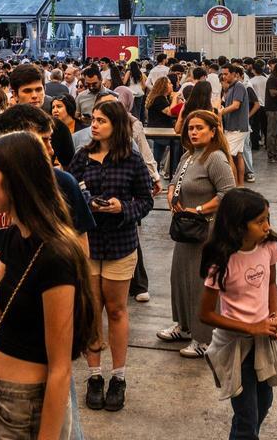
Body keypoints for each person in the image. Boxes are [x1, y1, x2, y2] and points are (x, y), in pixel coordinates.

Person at [0, 131, 98, 440]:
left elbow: (60, 369)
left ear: (16, 180)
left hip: (27, 404)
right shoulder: (15, 236)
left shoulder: (56, 255)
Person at [68, 100, 154, 413]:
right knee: (92, 310)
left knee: (116, 310)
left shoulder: (131, 159)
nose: (94, 124)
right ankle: (94, 375)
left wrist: (123, 208)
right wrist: (86, 202)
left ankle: (118, 376)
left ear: (116, 125)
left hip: (120, 244)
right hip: (88, 245)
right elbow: (67, 191)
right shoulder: (82, 157)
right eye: (94, 119)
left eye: (101, 120)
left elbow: (146, 199)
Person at [199, 188, 277, 440]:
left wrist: (275, 316)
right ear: (238, 226)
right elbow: (205, 314)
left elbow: (271, 285)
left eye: (267, 218)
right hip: (234, 346)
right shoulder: (222, 261)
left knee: (264, 403)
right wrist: (251, 328)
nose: (267, 227)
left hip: (263, 342)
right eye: (260, 221)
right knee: (247, 416)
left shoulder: (269, 246)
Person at [156, 110, 235, 358]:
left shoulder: (216, 158)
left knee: (201, 284)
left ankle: (204, 338)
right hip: (187, 230)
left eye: (199, 128)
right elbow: (174, 180)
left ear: (213, 132)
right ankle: (184, 326)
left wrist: (198, 209)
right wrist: (170, 193)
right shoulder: (189, 155)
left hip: (206, 231)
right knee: (180, 278)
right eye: (191, 128)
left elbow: (228, 193)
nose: (193, 132)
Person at [11, 63, 75, 171]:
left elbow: (69, 166)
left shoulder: (59, 128)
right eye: (28, 91)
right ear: (15, 94)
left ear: (45, 89)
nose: (35, 95)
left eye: (39, 89)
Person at [219, 65, 251, 186]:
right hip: (234, 127)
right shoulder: (231, 87)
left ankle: (234, 185)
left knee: (229, 156)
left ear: (234, 74)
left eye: (226, 74)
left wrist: (220, 112)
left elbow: (236, 105)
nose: (224, 76)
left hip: (237, 128)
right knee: (238, 155)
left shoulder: (238, 86)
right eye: (223, 74)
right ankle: (240, 185)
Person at [145, 76, 179, 179]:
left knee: (157, 156)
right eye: (169, 83)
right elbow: (170, 112)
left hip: (161, 129)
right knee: (177, 142)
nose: (172, 85)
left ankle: (154, 174)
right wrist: (175, 98)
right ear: (164, 86)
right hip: (160, 130)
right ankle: (173, 171)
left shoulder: (161, 98)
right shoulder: (159, 99)